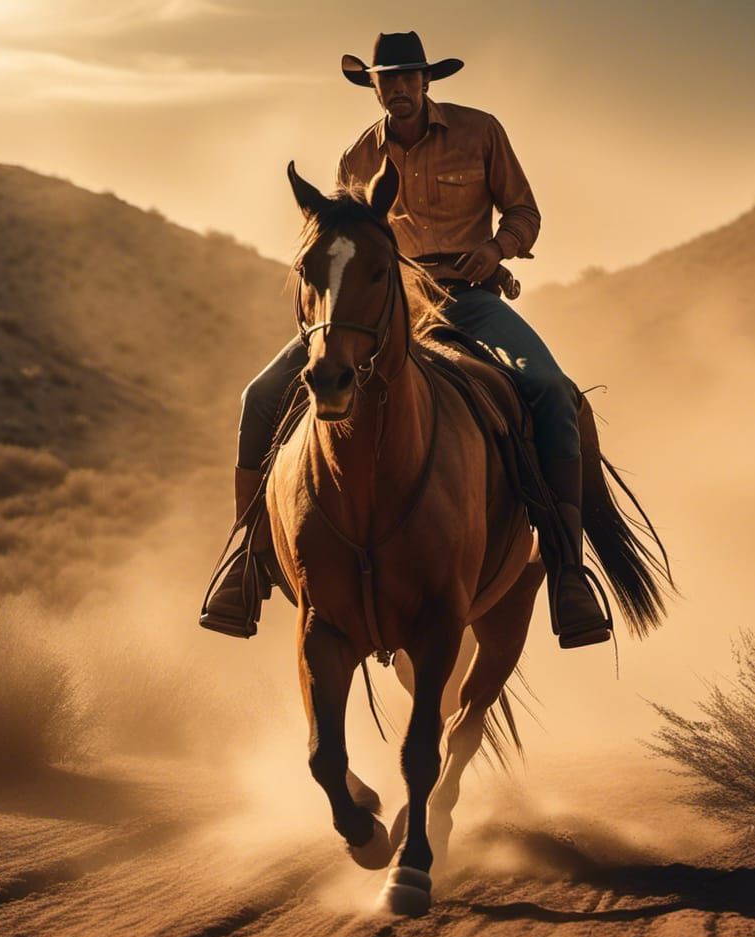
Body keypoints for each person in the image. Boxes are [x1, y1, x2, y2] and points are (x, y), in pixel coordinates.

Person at [201, 31, 611, 649]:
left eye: (406, 76)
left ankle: (566, 570)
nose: (396, 87)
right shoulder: (355, 158)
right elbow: (345, 244)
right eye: (384, 78)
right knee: (259, 397)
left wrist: (495, 249)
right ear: (373, 87)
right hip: (382, 308)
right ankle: (248, 559)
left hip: (469, 299)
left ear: (426, 81)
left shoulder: (480, 132)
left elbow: (524, 213)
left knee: (552, 390)